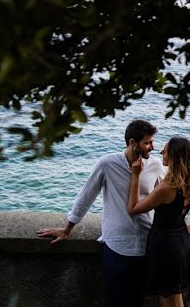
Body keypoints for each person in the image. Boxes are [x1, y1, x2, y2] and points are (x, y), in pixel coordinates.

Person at [37, 119, 163, 307]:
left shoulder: (155, 165)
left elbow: (165, 200)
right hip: (117, 246)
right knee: (114, 301)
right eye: (147, 142)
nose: (152, 147)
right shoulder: (107, 164)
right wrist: (67, 228)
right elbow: (86, 195)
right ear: (132, 143)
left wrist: (183, 225)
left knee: (139, 301)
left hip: (147, 244)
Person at [128, 135, 190, 307]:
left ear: (174, 156)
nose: (161, 152)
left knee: (166, 298)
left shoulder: (166, 188)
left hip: (164, 247)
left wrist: (136, 176)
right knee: (175, 294)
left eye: (165, 150)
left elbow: (133, 209)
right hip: (182, 243)